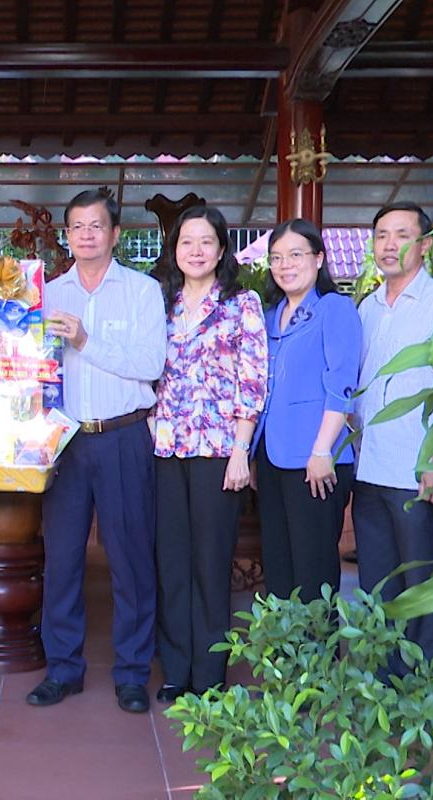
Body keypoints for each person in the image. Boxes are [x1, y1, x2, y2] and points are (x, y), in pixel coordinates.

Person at [26, 189, 166, 714]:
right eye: (77, 227)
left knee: (130, 559)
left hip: (123, 437)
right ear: (67, 236)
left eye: (96, 226)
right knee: (62, 560)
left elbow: (151, 364)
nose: (86, 235)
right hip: (63, 440)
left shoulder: (142, 291)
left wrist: (86, 341)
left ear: (115, 234)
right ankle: (63, 669)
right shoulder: (46, 294)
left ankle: (132, 673)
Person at [151, 205, 267, 703]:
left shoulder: (241, 305)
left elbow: (253, 380)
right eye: (186, 242)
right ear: (174, 250)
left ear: (221, 250)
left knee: (210, 563)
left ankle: (209, 673)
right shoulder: (162, 303)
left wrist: (242, 449)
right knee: (172, 562)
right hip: (166, 449)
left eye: (206, 242)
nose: (195, 251)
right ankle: (176, 670)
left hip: (219, 450)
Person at [353, 202, 433, 676]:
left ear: (426, 244)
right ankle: (381, 683)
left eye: (401, 234)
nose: (389, 244)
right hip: (369, 467)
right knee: (377, 584)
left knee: (421, 586)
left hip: (416, 469)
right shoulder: (367, 308)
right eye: (381, 235)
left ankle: (421, 688)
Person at [251, 218, 361, 603]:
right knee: (279, 568)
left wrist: (322, 450)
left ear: (319, 258)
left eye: (295, 255)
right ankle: (284, 644)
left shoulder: (334, 308)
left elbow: (342, 383)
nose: (285, 265)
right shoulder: (270, 316)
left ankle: (317, 647)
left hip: (317, 460)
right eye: (276, 257)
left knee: (313, 574)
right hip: (272, 457)